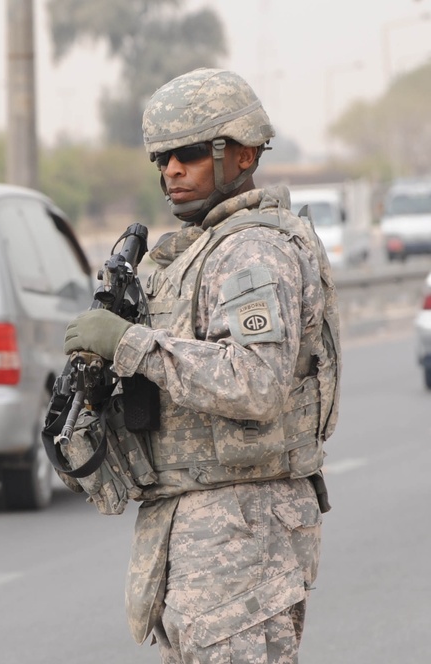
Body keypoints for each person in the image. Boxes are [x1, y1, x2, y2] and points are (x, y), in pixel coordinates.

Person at [61, 67, 341, 663]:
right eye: (162, 158)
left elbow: (255, 382)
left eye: (189, 153)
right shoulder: (197, 251)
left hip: (244, 533)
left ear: (241, 154)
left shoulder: (252, 250)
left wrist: (130, 344)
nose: (172, 171)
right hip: (201, 525)